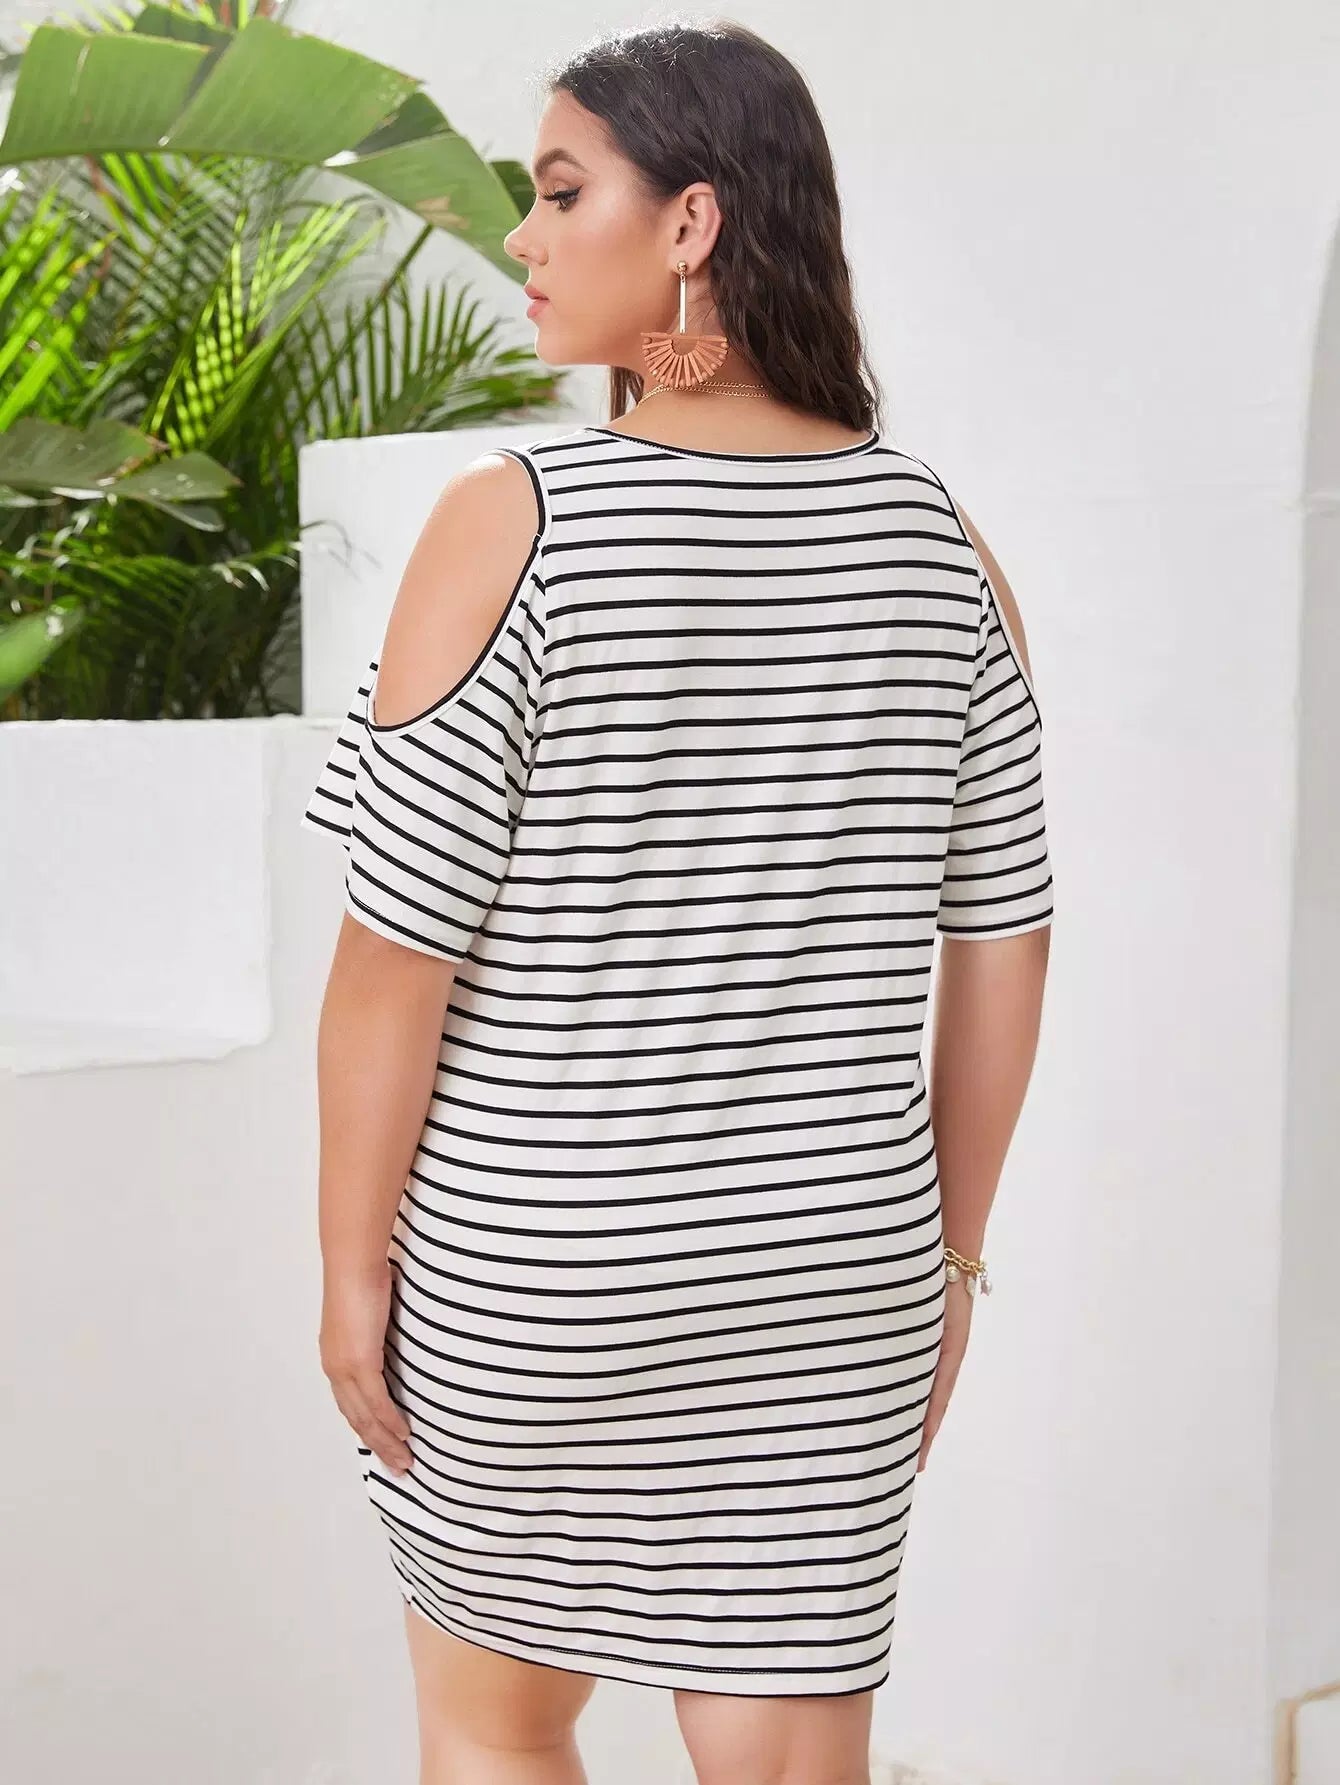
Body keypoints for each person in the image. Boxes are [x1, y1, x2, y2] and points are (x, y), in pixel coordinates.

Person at [301, 20, 1053, 1785]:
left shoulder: (515, 523)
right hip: (831, 1281)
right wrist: (948, 1257)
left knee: (494, 1729)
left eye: (564, 192)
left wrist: (350, 1272)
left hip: (538, 1279)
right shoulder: (943, 547)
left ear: (693, 222)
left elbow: (395, 962)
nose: (524, 236)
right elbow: (1003, 950)